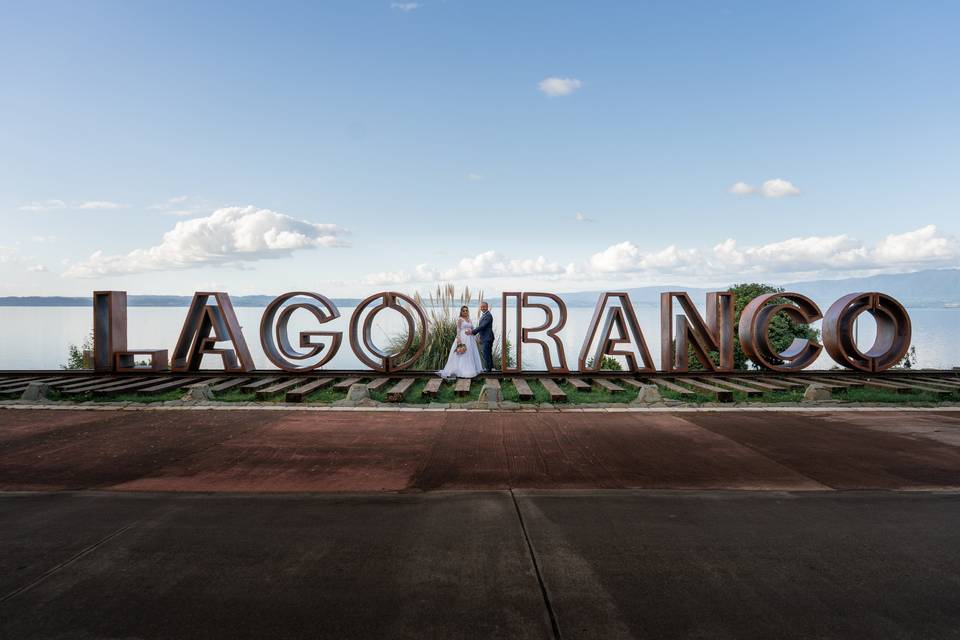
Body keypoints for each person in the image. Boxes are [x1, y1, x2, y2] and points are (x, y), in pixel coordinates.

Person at [437, 305, 484, 379]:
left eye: (466, 310)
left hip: (470, 339)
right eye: (463, 311)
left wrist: (476, 337)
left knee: (470, 353)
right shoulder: (460, 319)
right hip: (463, 337)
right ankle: (459, 370)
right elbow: (458, 329)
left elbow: (472, 328)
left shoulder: (469, 319)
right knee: (462, 352)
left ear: (468, 311)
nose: (465, 312)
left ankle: (469, 369)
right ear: (461, 312)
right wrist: (458, 339)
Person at [472, 301, 494, 372]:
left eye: (484, 307)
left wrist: (473, 332)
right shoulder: (484, 314)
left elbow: (482, 326)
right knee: (488, 353)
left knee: (486, 353)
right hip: (485, 337)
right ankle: (489, 368)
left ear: (487, 307)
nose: (482, 308)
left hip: (487, 338)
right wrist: (479, 336)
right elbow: (482, 328)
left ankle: (488, 369)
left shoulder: (488, 315)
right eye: (481, 307)